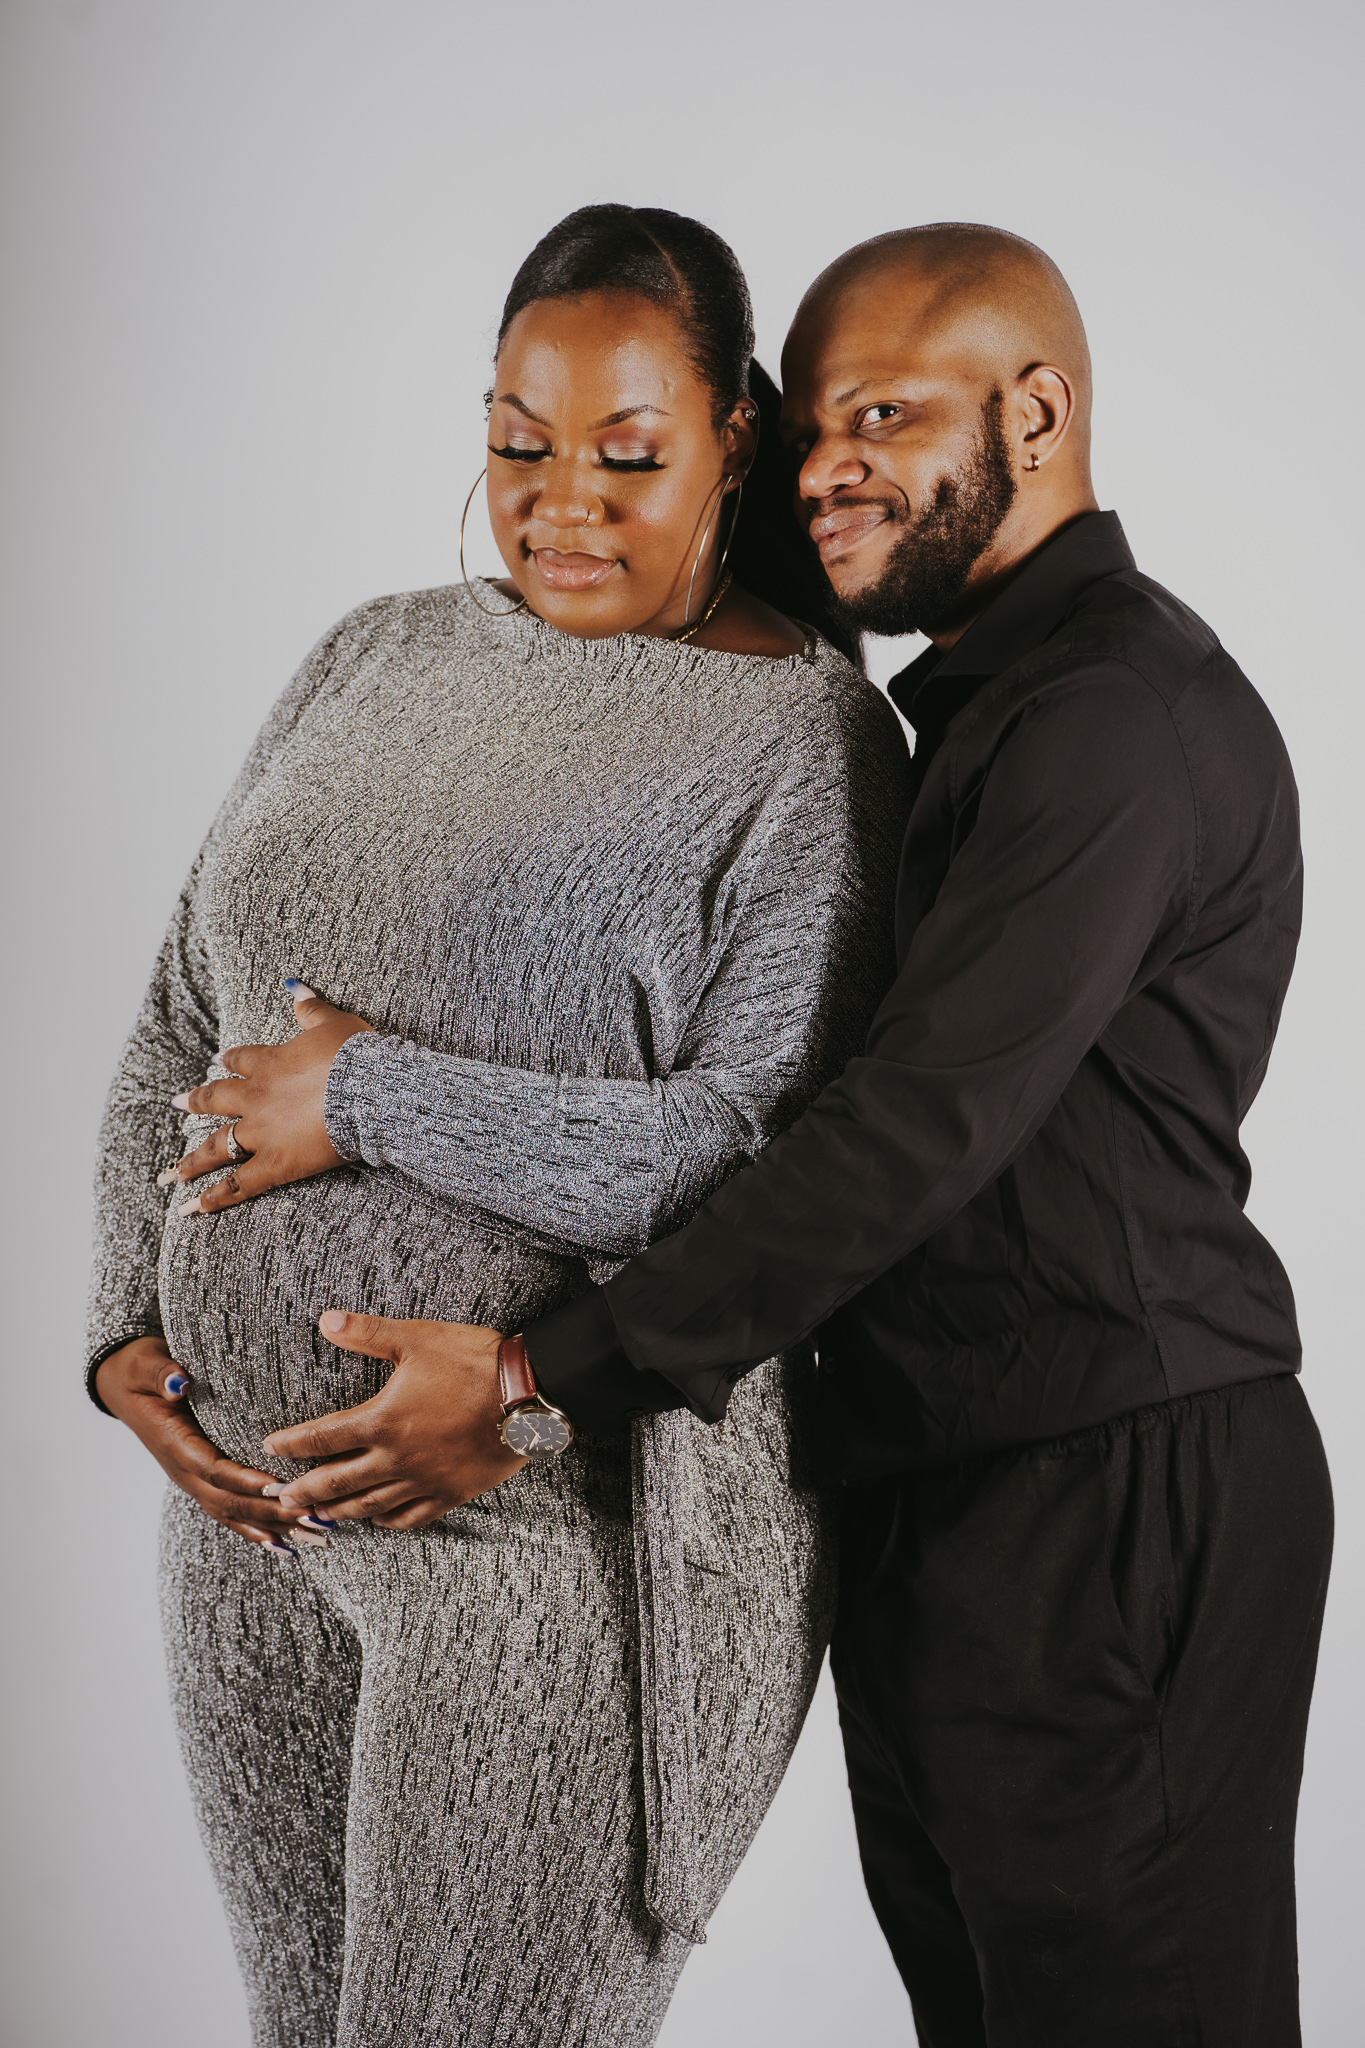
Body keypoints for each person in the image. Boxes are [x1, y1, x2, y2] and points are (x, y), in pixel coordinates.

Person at [222, 224, 1332, 2048]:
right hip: (942, 1481)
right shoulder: (965, 703)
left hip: (1106, 1488)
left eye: (883, 417)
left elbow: (898, 1136)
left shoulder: (1108, 720)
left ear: (1035, 414)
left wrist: (535, 1377)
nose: (828, 469)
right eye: (810, 426)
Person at [86, 204, 912, 2048]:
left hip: (547, 1544)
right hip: (251, 1526)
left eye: (626, 456)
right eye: (519, 445)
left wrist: (366, 1093)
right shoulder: (371, 655)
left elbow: (750, 1161)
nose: (561, 504)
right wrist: (119, 1329)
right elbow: (180, 1010)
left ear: (734, 441)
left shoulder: (803, 751)